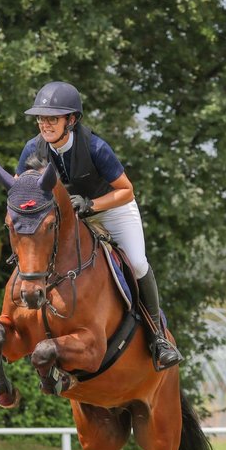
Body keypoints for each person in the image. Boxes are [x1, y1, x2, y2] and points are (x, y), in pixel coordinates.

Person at [16, 80, 182, 371]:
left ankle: (158, 337)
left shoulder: (95, 146)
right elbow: (22, 189)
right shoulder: (33, 149)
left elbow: (126, 190)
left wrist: (91, 205)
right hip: (65, 219)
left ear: (71, 120)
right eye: (42, 118)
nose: (45, 124)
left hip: (111, 209)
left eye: (52, 118)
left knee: (139, 264)